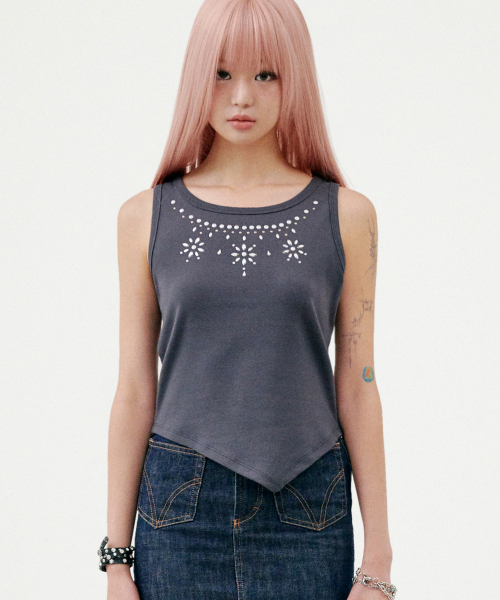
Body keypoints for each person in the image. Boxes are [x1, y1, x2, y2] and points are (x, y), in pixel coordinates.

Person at [100, 1, 396, 599]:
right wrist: (116, 561)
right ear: (195, 76)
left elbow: (358, 385)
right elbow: (134, 386)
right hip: (177, 512)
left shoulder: (347, 216)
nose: (242, 97)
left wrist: (379, 559)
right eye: (221, 73)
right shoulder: (144, 218)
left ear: (295, 79)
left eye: (266, 74)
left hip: (308, 509)